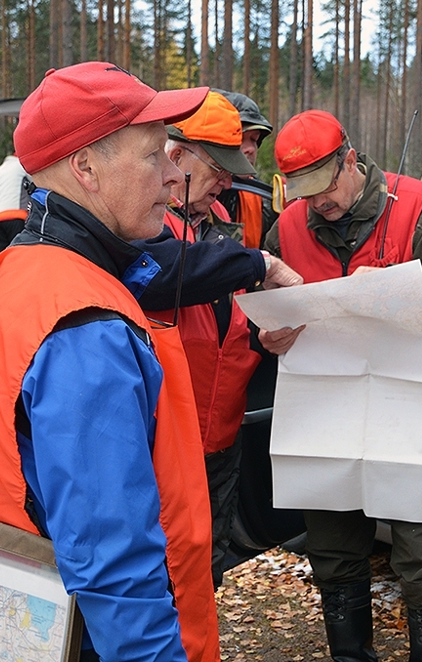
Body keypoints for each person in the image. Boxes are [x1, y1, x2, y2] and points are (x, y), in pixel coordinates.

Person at [0, 62, 220, 662]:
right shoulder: (85, 325)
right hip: (77, 628)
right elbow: (113, 560)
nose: (172, 176)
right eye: (154, 155)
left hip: (18, 609)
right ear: (85, 168)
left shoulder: (17, 271)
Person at [261, 109, 422, 662]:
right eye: (304, 193)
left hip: (409, 404)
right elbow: (260, 308)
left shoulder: (419, 206)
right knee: (333, 549)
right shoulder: (286, 226)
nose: (318, 204)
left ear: (350, 160)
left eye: (325, 187)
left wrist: (401, 283)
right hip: (321, 407)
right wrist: (267, 336)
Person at [140, 91, 301, 590]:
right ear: (176, 156)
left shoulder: (215, 230)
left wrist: (262, 336)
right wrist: (262, 263)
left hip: (219, 441)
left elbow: (218, 322)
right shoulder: (143, 225)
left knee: (203, 572)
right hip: (163, 446)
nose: (228, 182)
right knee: (158, 578)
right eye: (219, 169)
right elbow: (164, 274)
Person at [214, 89, 278, 248]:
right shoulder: (187, 194)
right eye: (242, 138)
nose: (251, 149)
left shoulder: (263, 199)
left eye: (254, 140)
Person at [0, 153, 31, 254]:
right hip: (17, 214)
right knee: (19, 252)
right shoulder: (22, 166)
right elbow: (35, 183)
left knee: (3, 254)